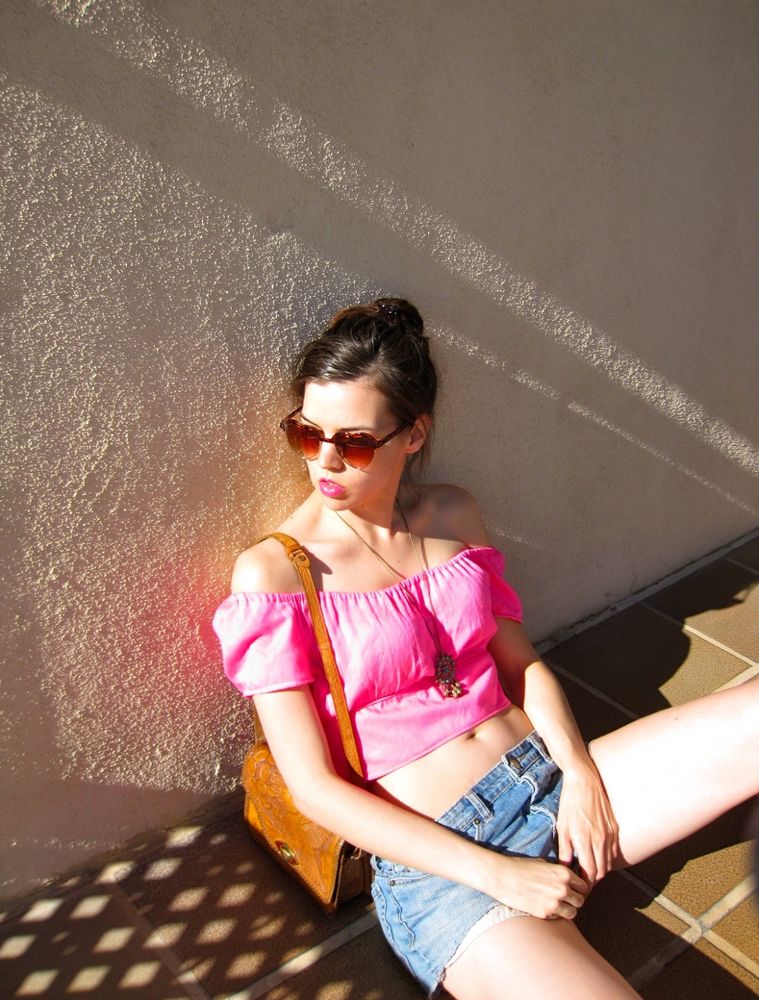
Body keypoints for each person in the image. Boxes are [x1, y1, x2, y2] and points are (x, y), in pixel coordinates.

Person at [213, 298, 759, 999]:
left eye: (351, 442)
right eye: (304, 433)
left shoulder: (450, 514)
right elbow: (315, 788)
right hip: (444, 866)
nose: (324, 460)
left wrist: (580, 774)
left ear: (413, 435)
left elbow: (520, 661)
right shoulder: (275, 574)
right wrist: (495, 872)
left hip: (547, 783)